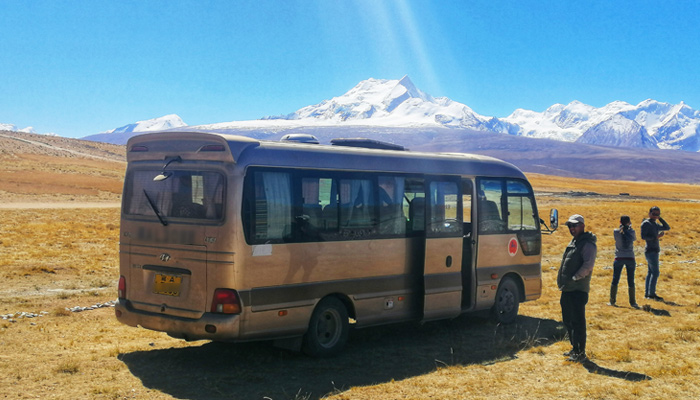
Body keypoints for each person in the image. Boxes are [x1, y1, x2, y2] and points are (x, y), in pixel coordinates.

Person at [557, 214, 597, 362]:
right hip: (568, 288)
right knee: (568, 319)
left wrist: (575, 278)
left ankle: (580, 352)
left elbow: (588, 265)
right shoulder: (575, 242)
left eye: (574, 225)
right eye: (569, 226)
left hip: (578, 289)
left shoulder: (587, 244)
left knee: (577, 322)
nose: (572, 228)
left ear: (582, 226)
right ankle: (575, 348)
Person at [641, 206, 671, 301]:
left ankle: (648, 293)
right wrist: (656, 237)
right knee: (655, 272)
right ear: (649, 213)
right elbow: (643, 237)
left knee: (651, 272)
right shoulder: (646, 224)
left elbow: (667, 227)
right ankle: (651, 294)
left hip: (654, 250)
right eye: (654, 214)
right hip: (650, 250)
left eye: (657, 214)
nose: (655, 216)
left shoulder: (654, 223)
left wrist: (660, 219)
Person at [609, 215, 639, 308]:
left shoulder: (616, 232)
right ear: (629, 222)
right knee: (631, 280)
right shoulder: (632, 232)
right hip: (630, 257)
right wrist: (630, 227)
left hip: (619, 257)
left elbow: (619, 234)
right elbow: (633, 238)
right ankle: (633, 302)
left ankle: (612, 301)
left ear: (620, 222)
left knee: (615, 279)